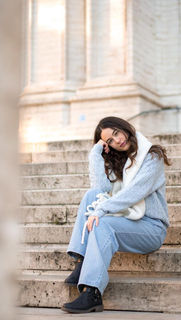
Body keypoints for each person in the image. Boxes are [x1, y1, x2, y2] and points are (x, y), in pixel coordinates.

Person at [61, 116, 171, 313]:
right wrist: (96, 153)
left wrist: (102, 210)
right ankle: (81, 260)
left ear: (124, 128)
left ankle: (92, 291)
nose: (117, 140)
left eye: (116, 133)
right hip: (128, 221)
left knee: (102, 222)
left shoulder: (152, 156)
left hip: (151, 228)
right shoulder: (120, 162)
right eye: (110, 141)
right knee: (91, 195)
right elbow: (100, 189)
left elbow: (134, 193)